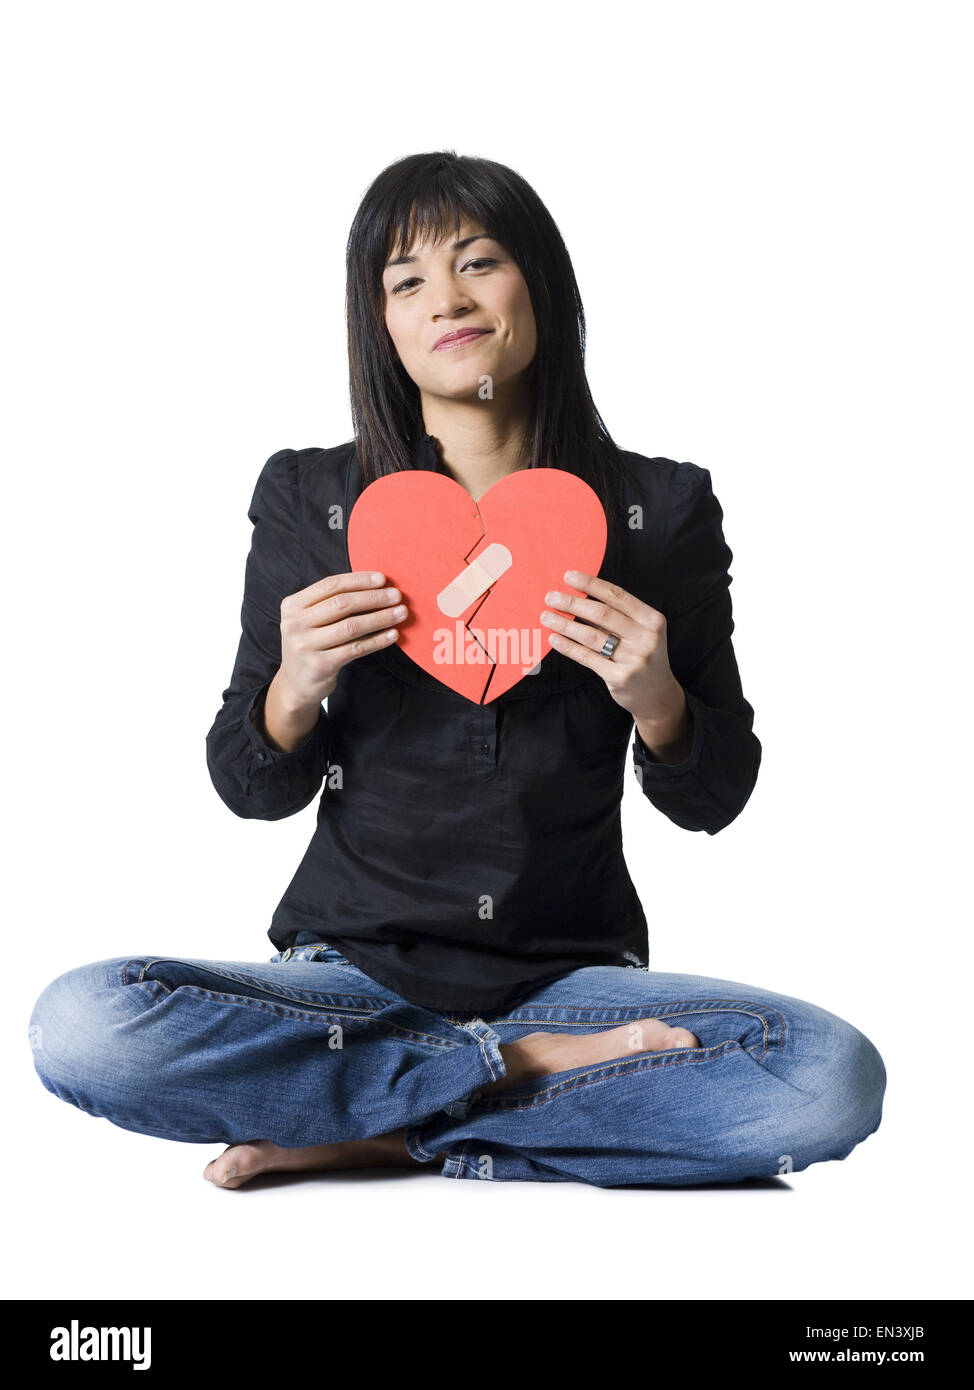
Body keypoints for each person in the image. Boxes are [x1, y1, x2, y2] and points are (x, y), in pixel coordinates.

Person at [28, 152, 886, 1188]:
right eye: (405, 281)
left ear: (540, 284)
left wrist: (658, 702)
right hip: (346, 983)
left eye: (477, 261)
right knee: (83, 1023)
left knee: (829, 1077)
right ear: (377, 322)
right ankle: (521, 1081)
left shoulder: (659, 510)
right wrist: (293, 686)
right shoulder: (312, 499)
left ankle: (385, 1126)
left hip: (577, 984)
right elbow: (247, 785)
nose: (446, 299)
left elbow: (715, 797)